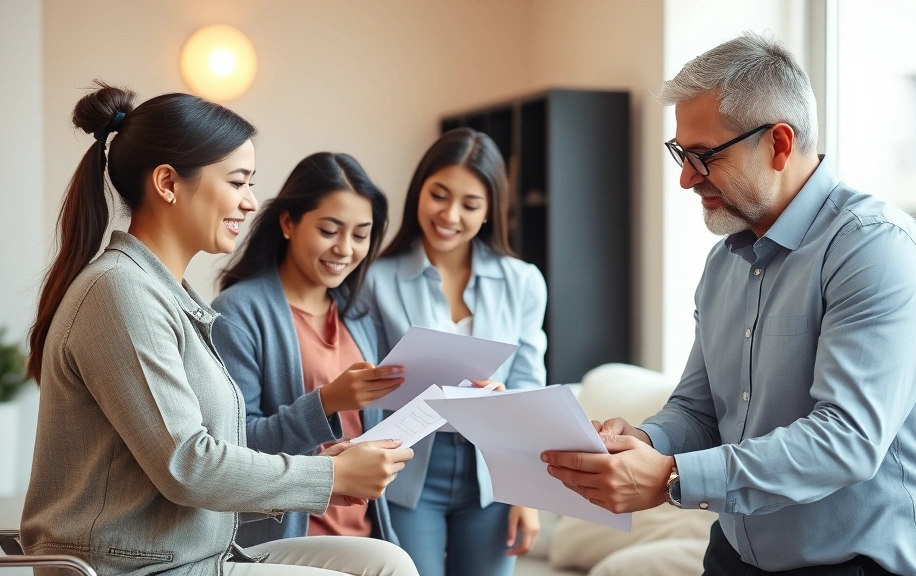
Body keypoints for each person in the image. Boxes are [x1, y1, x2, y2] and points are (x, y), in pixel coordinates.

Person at [542, 33, 916, 576]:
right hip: (738, 555)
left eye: (704, 157)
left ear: (778, 143)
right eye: (682, 154)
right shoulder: (723, 262)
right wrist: (643, 442)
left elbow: (845, 440)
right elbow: (699, 410)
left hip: (864, 562)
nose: (685, 178)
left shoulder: (878, 249)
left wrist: (670, 477)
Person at [21, 82, 418, 576]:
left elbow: (198, 470)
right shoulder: (119, 292)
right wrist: (328, 474)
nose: (251, 203)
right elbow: (187, 467)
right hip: (140, 566)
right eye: (237, 182)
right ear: (168, 183)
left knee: (387, 561)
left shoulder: (164, 292)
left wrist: (328, 470)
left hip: (192, 549)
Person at [365, 128, 545, 576]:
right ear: (418, 192)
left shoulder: (522, 282)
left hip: (493, 472)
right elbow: (363, 383)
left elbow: (530, 390)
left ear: (490, 211)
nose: (449, 215)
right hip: (406, 468)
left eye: (469, 204)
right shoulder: (374, 279)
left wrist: (529, 494)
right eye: (439, 195)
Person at [212, 152, 404, 547]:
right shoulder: (237, 312)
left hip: (366, 536)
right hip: (287, 541)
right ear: (288, 222)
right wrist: (328, 400)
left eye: (361, 234)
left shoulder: (359, 313)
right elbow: (234, 449)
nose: (345, 249)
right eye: (330, 230)